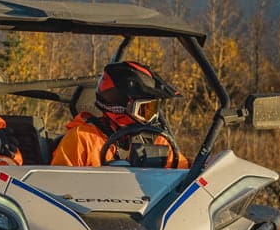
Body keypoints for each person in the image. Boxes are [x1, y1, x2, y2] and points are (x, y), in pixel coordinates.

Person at [51, 60, 188, 168]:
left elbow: (183, 175)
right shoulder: (83, 139)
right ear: (119, 107)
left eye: (153, 108)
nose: (152, 116)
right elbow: (57, 186)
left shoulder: (157, 141)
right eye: (144, 109)